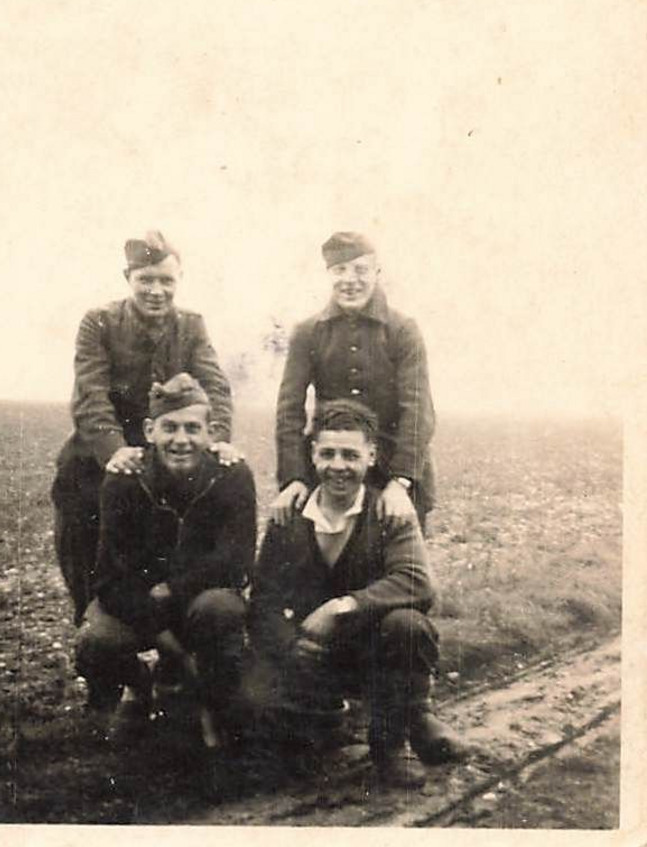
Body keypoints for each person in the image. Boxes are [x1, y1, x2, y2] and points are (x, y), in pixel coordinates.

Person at [249, 400, 463, 788]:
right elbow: (262, 598)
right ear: (313, 454)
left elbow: (417, 580)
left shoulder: (390, 512)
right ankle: (320, 727)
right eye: (327, 453)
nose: (338, 466)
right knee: (262, 726)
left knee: (408, 626)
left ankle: (390, 748)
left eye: (350, 455)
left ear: (371, 456)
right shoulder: (289, 515)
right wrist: (290, 643)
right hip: (308, 652)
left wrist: (343, 607)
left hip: (368, 650)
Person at [51, 231, 237, 624]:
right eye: (146, 280)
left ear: (179, 280)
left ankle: (180, 630)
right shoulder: (99, 322)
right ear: (128, 278)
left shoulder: (191, 325)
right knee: (78, 500)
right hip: (104, 450)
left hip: (168, 448)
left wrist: (216, 438)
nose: (156, 290)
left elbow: (215, 385)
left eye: (166, 281)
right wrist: (114, 450)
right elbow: (91, 392)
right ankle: (93, 618)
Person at [76, 373, 257, 748]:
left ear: (211, 433)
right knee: (97, 639)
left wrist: (172, 588)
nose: (181, 440)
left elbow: (236, 562)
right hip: (142, 605)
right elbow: (110, 578)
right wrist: (164, 637)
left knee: (222, 610)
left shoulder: (232, 475)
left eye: (193, 428)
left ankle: (210, 702)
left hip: (197, 601)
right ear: (149, 430)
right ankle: (141, 688)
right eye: (169, 427)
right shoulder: (125, 478)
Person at [272, 230, 436, 532]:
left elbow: (418, 410)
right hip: (332, 468)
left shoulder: (403, 330)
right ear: (328, 274)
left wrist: (401, 481)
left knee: (401, 567)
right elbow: (289, 409)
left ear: (377, 272)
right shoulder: (308, 332)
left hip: (393, 467)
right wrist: (294, 477)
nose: (350, 280)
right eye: (340, 270)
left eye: (361, 270)